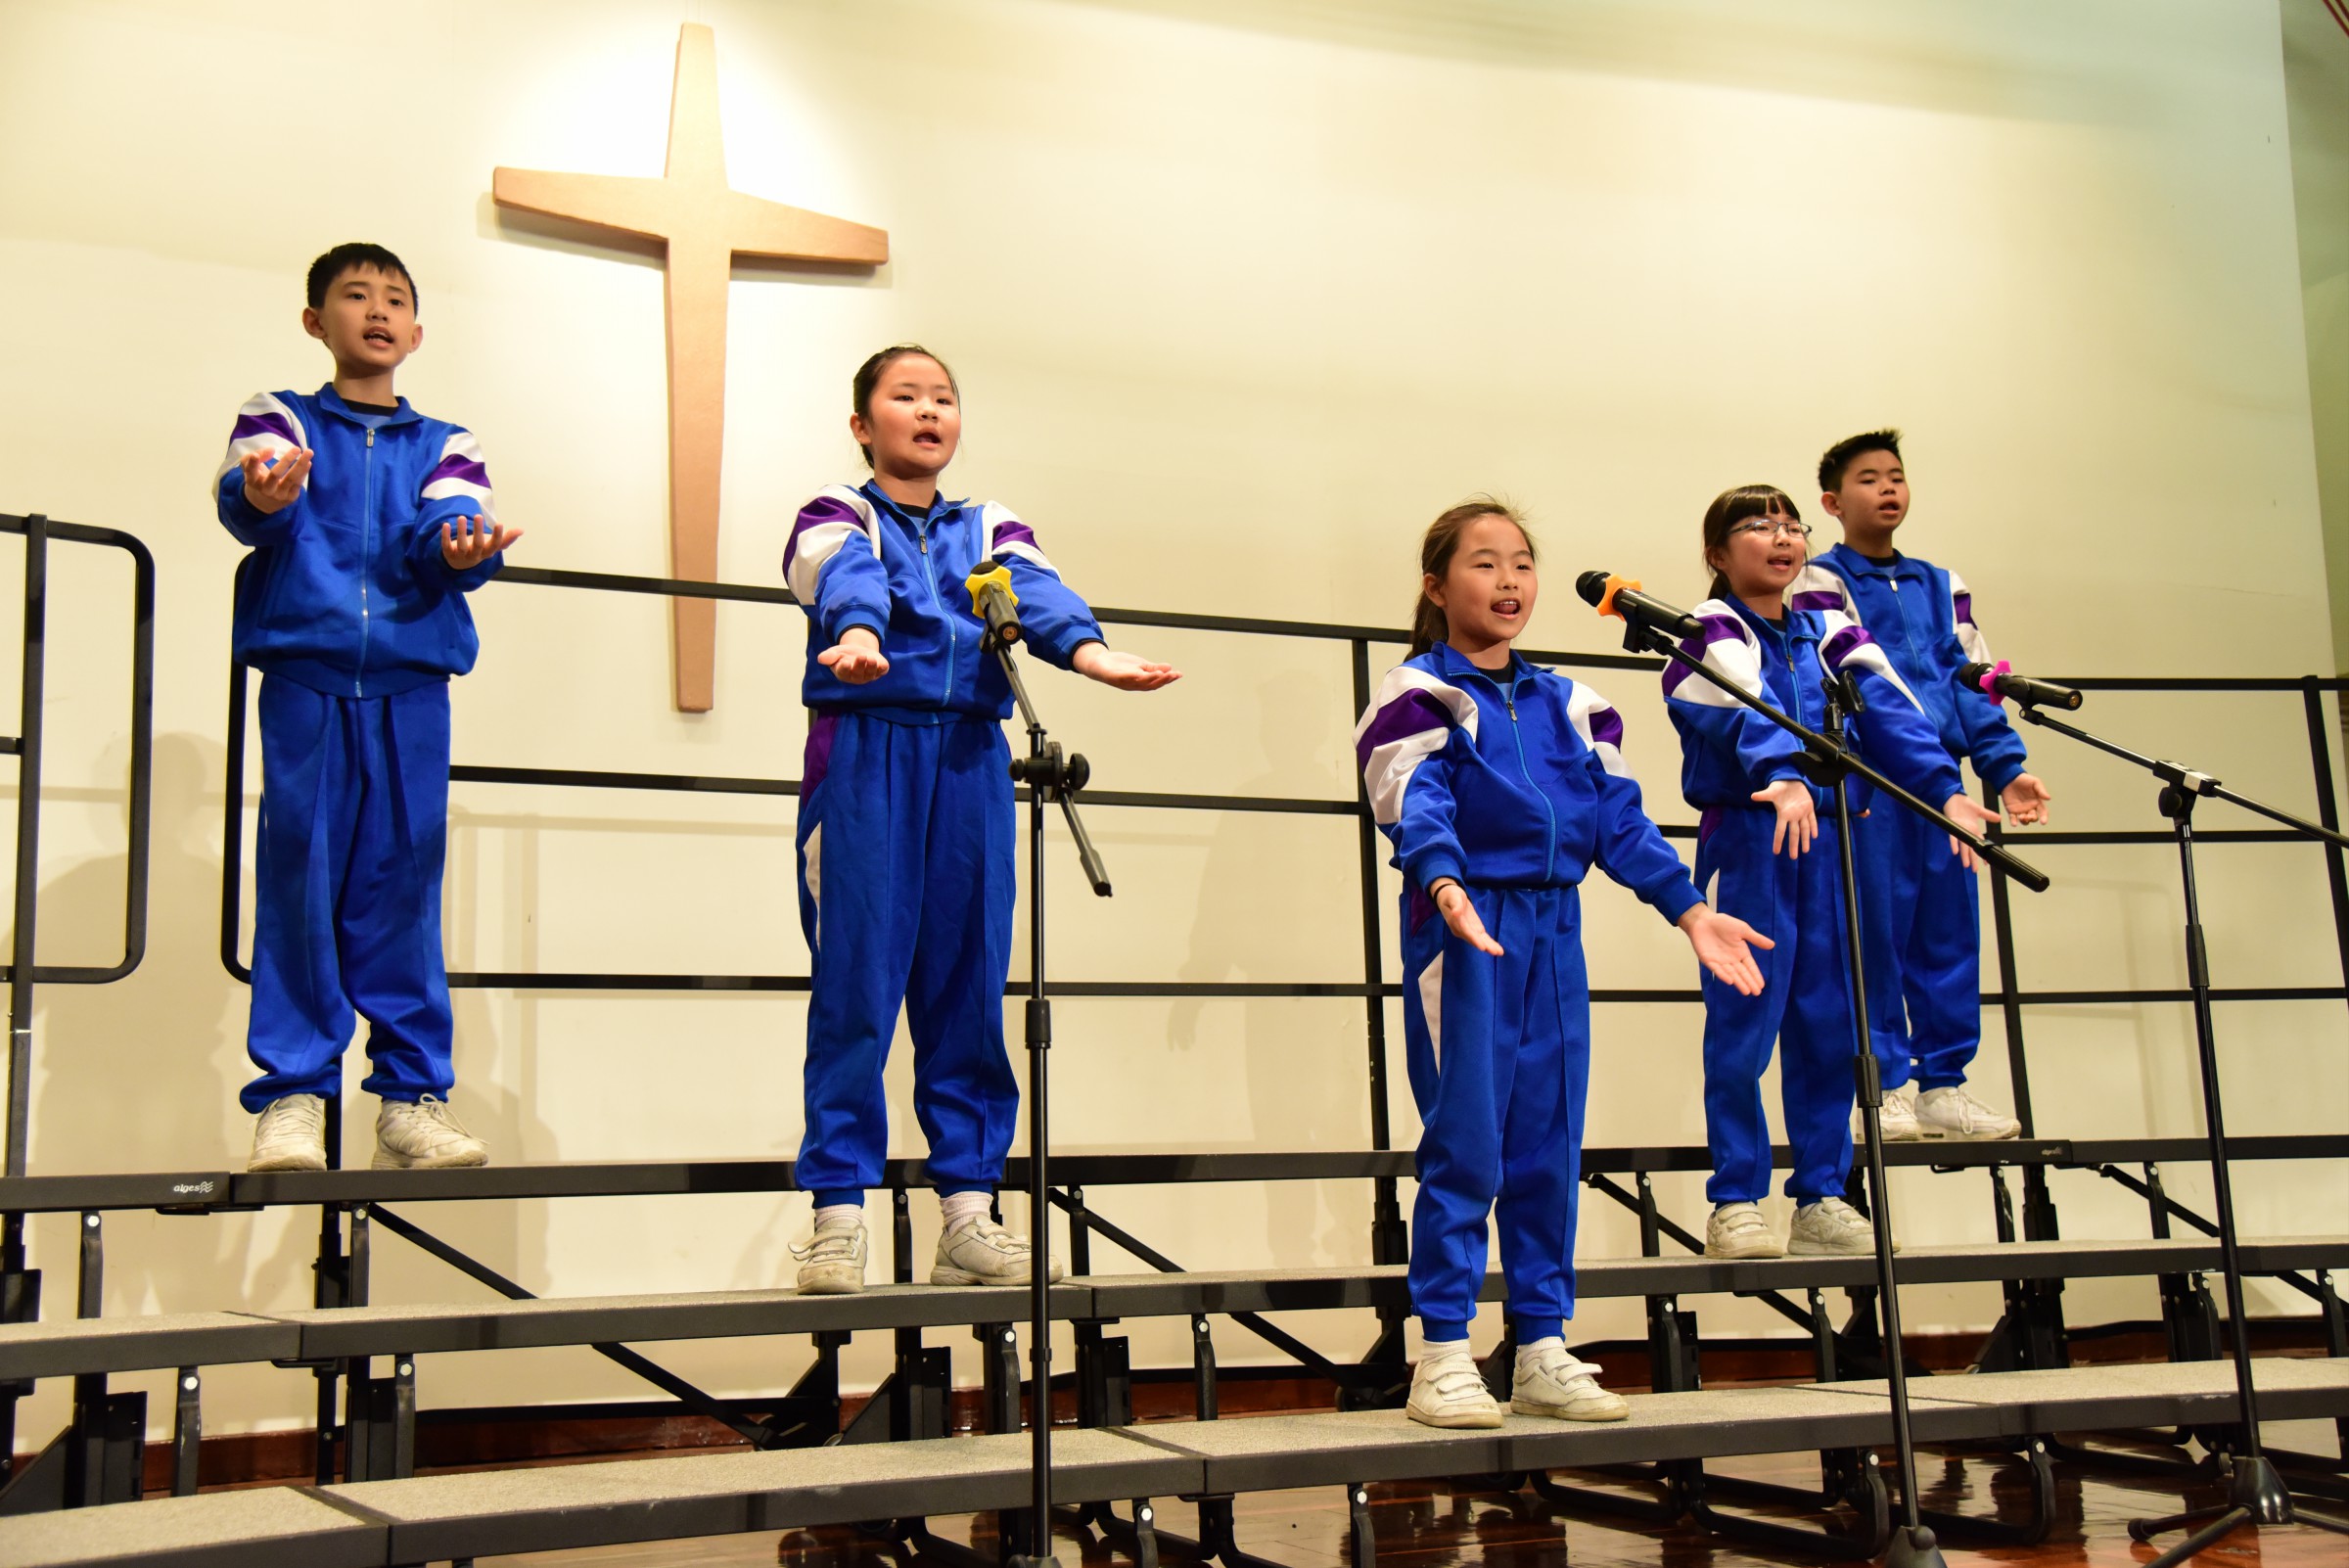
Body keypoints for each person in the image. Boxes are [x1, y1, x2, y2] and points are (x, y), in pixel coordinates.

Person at [1356, 498, 1771, 1428]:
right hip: (1466, 926)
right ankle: (1444, 1353)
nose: (1509, 581)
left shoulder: (1572, 703)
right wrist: (1443, 880)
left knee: (1548, 1144)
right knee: (1468, 1141)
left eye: (1522, 563)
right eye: (1484, 563)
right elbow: (1414, 798)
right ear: (1437, 586)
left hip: (1553, 930)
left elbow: (1618, 819)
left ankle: (1541, 1344)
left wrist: (1690, 908)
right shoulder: (1418, 693)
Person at [783, 346, 1179, 1294]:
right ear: (862, 424)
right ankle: (838, 1217)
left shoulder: (988, 523)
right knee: (857, 988)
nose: (929, 411)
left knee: (968, 985)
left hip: (970, 759)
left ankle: (969, 1211)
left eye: (944, 398)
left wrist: (1091, 655)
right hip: (866, 748)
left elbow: (1031, 591)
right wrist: (859, 634)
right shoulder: (835, 511)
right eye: (906, 396)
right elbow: (842, 576)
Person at [216, 242, 520, 1174]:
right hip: (305, 681)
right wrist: (264, 494)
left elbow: (451, 524)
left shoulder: (447, 440)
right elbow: (253, 498)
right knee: (300, 882)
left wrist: (460, 549)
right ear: (317, 321)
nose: (377, 311)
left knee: (402, 887)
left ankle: (410, 1097)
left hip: (410, 687)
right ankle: (295, 1096)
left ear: (416, 333)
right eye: (355, 296)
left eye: (395, 300)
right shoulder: (279, 415)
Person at [1666, 485, 1993, 1261]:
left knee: (1830, 1025)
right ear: (1716, 554)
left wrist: (1945, 790)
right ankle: (1735, 1201)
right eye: (1758, 526)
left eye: (1791, 526)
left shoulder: (1831, 627)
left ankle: (1820, 1195)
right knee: (1745, 1026)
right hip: (1754, 839)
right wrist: (1780, 772)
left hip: (1836, 836)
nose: (1782, 538)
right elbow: (1740, 708)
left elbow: (1891, 709)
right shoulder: (1707, 629)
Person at [1792, 432, 2051, 1141]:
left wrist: (2004, 767)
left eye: (1896, 476)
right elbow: (1856, 686)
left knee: (1949, 931)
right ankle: (1885, 1086)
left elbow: (1974, 680)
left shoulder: (1943, 584)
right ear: (1832, 502)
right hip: (1875, 785)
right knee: (1875, 933)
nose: (1887, 488)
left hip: (1950, 791)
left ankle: (1944, 1083)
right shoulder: (1819, 583)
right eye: (1868, 478)